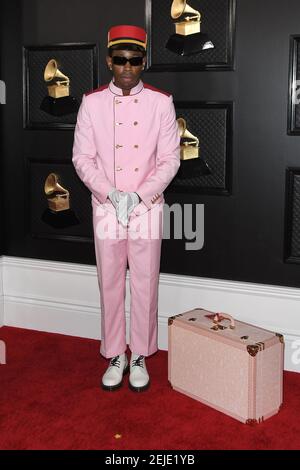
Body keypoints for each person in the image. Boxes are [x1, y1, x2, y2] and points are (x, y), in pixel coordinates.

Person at [72, 24, 180, 392]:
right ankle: (116, 352)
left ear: (144, 61)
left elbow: (170, 160)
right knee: (111, 283)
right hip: (106, 208)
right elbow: (82, 159)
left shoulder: (161, 103)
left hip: (147, 208)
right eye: (120, 59)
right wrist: (109, 194)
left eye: (135, 59)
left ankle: (141, 355)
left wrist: (138, 196)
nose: (128, 67)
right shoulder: (91, 103)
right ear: (109, 60)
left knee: (147, 283)